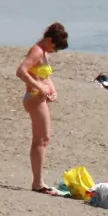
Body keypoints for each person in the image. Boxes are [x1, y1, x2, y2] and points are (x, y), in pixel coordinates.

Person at [19, 22, 68, 196]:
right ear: (48, 39)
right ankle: (38, 183)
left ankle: (38, 182)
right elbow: (21, 72)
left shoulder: (44, 52)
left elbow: (44, 75)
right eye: (55, 46)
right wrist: (41, 88)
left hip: (40, 96)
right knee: (41, 139)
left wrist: (52, 89)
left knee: (44, 139)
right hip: (34, 97)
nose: (55, 50)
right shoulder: (37, 50)